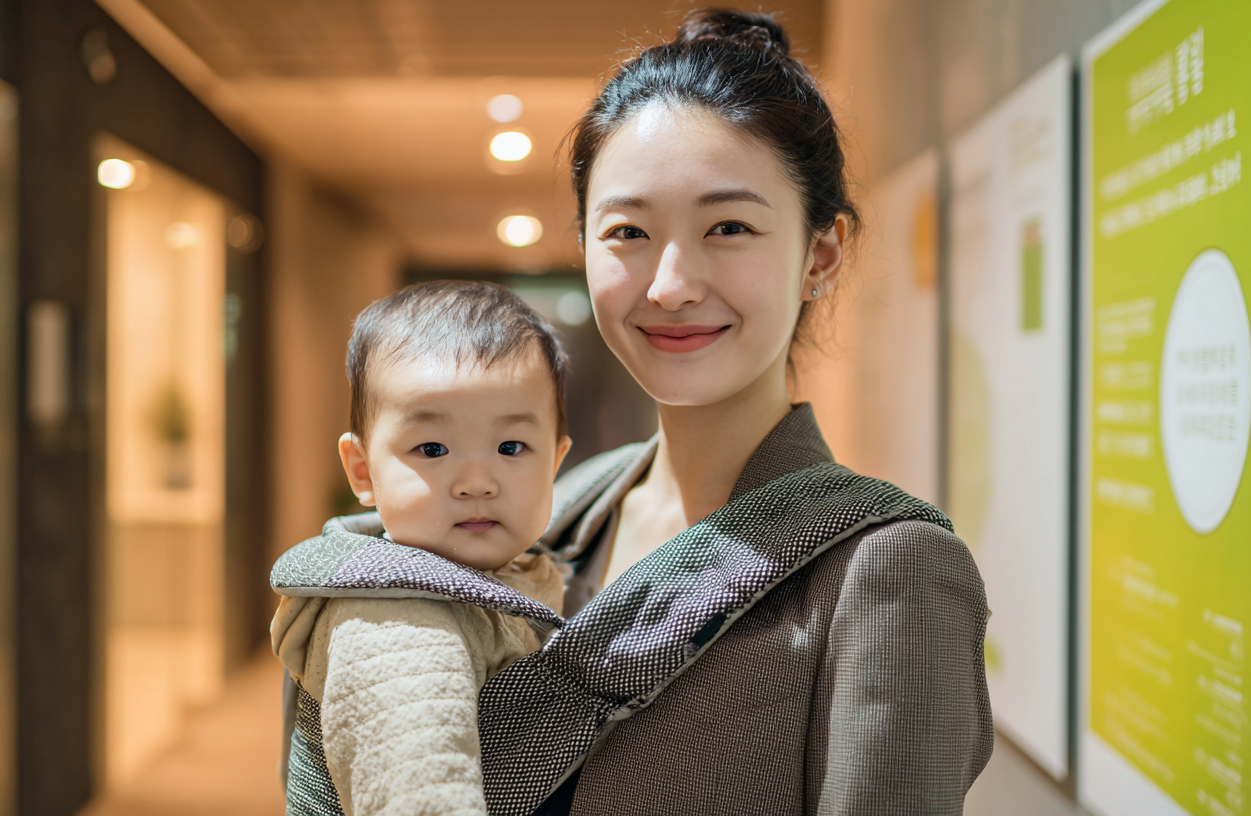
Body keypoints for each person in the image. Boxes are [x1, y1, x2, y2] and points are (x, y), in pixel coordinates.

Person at [275, 7, 992, 816]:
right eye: (628, 231)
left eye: (728, 226)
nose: (670, 285)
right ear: (582, 244)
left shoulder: (886, 570)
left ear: (817, 256)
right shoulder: (552, 513)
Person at [269, 280, 573, 816]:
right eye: (431, 448)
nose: (476, 481)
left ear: (554, 462)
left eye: (511, 447)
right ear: (363, 471)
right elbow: (417, 789)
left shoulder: (520, 567)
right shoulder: (395, 619)